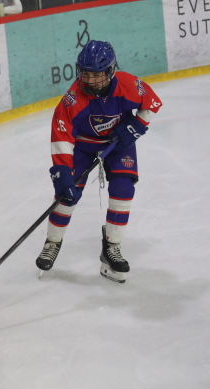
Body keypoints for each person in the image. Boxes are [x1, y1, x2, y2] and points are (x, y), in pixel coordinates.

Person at [35, 40, 163, 283]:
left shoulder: (128, 84)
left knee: (123, 188)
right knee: (67, 194)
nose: (90, 80)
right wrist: (62, 170)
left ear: (111, 71)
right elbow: (61, 134)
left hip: (117, 143)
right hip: (82, 146)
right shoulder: (73, 99)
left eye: (96, 75)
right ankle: (52, 241)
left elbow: (152, 103)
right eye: (86, 74)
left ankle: (112, 247)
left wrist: (136, 126)